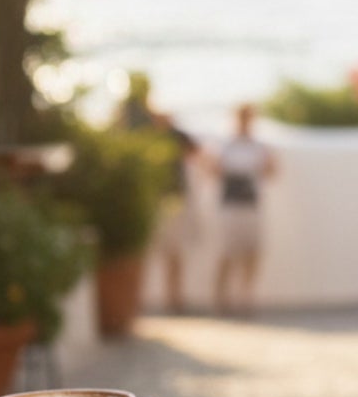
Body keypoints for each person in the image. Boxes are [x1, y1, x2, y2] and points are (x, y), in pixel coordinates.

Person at [117, 73, 201, 315]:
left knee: (175, 254)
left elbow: (195, 150)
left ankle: (175, 299)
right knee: (146, 253)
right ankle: (138, 302)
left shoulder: (174, 134)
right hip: (152, 201)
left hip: (175, 200)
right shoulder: (144, 133)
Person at [212, 103, 276, 317]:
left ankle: (246, 298)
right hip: (230, 206)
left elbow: (272, 171)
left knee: (252, 253)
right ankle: (220, 300)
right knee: (226, 253)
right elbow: (213, 170)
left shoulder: (259, 146)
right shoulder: (225, 145)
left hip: (252, 206)